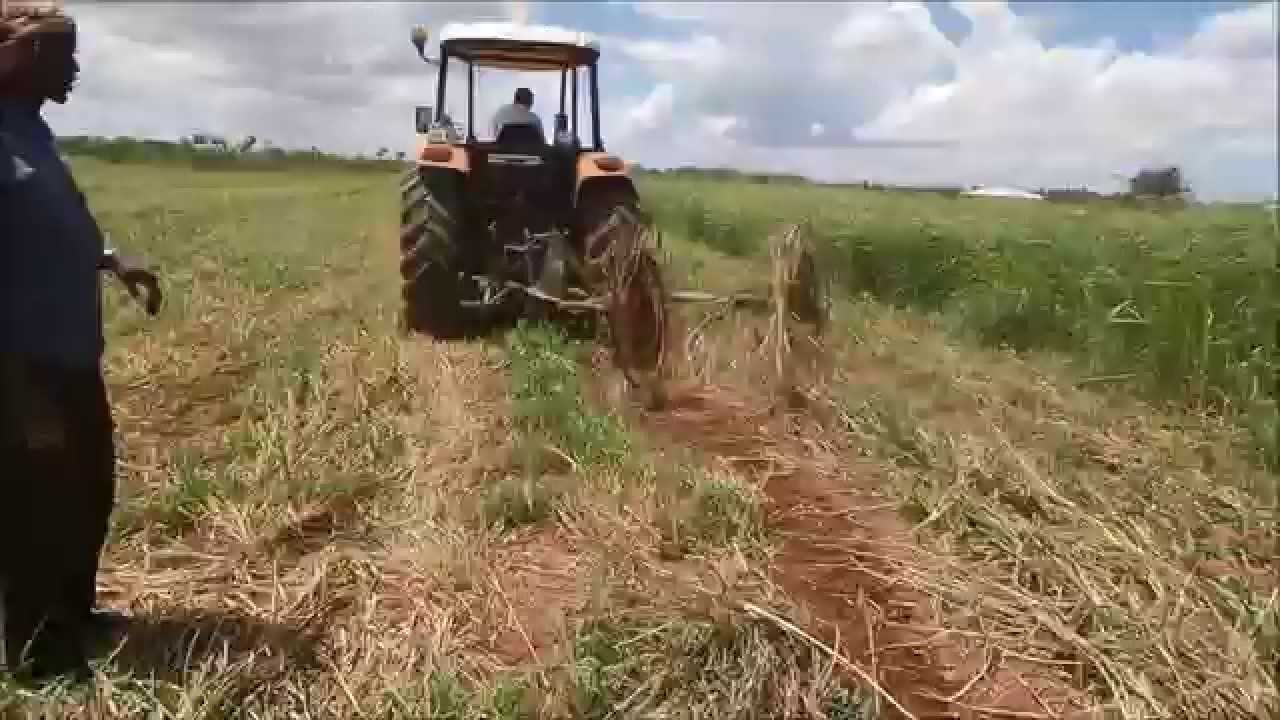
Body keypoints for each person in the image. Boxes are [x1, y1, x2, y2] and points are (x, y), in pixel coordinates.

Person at [0, 8, 162, 682]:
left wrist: (112, 259)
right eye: (60, 55)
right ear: (17, 56)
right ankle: (36, 658)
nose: (73, 68)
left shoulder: (31, 131)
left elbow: (58, 218)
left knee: (88, 490)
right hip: (23, 365)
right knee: (35, 507)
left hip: (70, 356)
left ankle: (74, 614)